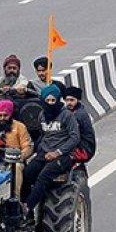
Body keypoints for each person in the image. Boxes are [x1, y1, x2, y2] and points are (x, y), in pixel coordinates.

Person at [22, 85, 81, 216]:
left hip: (63, 155)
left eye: (53, 101)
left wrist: (58, 152)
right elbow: (42, 134)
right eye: (47, 101)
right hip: (45, 152)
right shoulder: (42, 115)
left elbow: (75, 137)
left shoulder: (66, 115)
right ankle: (24, 204)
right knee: (27, 173)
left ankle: (28, 207)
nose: (50, 104)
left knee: (44, 176)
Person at [60, 86, 96, 163]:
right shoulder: (68, 111)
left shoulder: (79, 114)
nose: (69, 102)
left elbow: (72, 135)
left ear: (78, 100)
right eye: (67, 100)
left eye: (72, 100)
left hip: (83, 149)